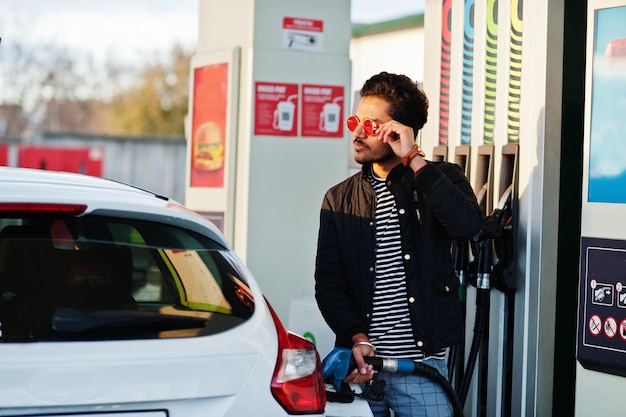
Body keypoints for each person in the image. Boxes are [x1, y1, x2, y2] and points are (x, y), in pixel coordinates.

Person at [314, 71, 483, 417]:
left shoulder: (440, 179)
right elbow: (329, 284)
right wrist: (356, 336)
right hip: (360, 371)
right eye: (355, 121)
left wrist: (415, 160)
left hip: (421, 370)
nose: (358, 133)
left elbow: (468, 227)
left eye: (372, 126)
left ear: (399, 132)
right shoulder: (338, 200)